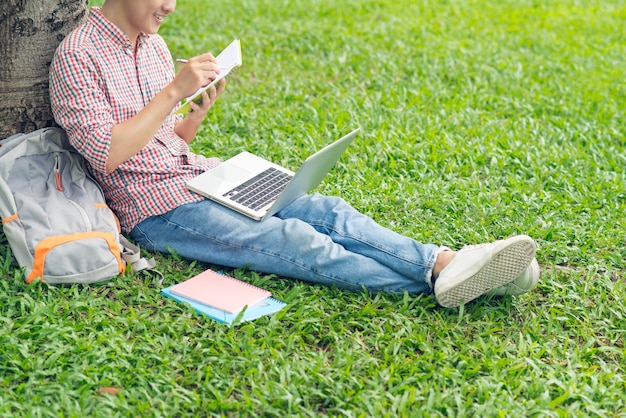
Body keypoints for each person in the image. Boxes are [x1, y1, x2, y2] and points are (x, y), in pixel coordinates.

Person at [49, 0, 540, 309]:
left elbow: (164, 141)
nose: (172, 7)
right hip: (154, 210)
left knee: (328, 211)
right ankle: (449, 283)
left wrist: (191, 116)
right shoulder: (79, 54)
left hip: (198, 176)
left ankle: (444, 263)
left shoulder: (152, 46)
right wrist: (172, 92)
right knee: (296, 241)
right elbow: (108, 154)